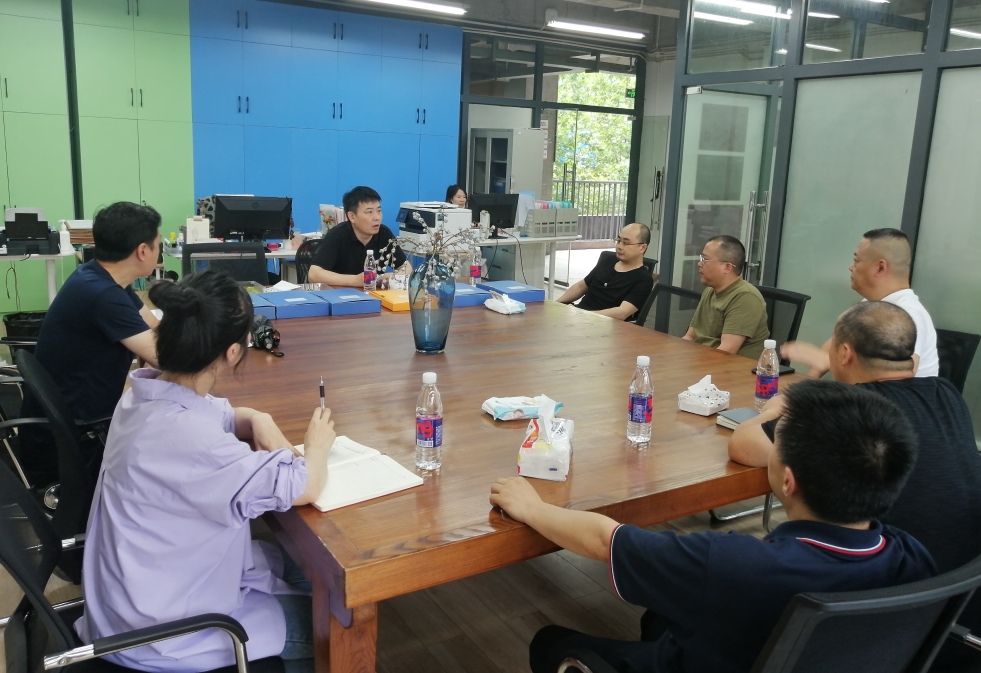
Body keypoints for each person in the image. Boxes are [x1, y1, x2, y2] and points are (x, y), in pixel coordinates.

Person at [491, 379, 935, 673]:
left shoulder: (730, 564)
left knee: (550, 642)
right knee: (661, 614)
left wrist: (530, 507)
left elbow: (604, 539)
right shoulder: (911, 554)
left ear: (788, 480)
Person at [76, 270, 335, 673]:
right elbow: (306, 485)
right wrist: (316, 446)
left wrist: (259, 418)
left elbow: (224, 415)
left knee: (308, 572)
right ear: (232, 352)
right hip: (164, 633)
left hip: (140, 590)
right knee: (330, 623)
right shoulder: (197, 444)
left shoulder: (141, 394)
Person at [729, 301, 981, 669]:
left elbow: (744, 447)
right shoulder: (947, 394)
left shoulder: (845, 410)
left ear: (844, 354)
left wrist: (771, 410)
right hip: (955, 608)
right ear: (910, 359)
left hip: (870, 616)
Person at [15, 201, 162, 487]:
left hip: (72, 423)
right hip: (74, 442)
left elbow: (154, 327)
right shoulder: (103, 295)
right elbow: (167, 356)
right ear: (143, 251)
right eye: (158, 244)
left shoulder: (101, 277)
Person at [782, 228, 939, 378]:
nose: (851, 268)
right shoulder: (871, 305)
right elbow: (835, 343)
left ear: (880, 267)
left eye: (856, 261)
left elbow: (902, 375)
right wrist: (808, 382)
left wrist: (828, 361)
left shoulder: (908, 314)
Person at [682, 235, 769, 359]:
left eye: (705, 259)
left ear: (727, 267)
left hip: (732, 366)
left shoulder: (745, 297)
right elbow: (690, 336)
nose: (699, 264)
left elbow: (727, 351)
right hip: (703, 358)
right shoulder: (710, 291)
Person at [307, 186, 410, 287]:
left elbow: (407, 268)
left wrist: (389, 278)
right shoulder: (337, 235)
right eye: (369, 212)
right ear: (352, 216)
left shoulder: (384, 234)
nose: (377, 217)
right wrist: (356, 280)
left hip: (373, 294)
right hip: (340, 294)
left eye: (379, 211)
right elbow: (314, 274)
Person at [557, 223, 654, 321]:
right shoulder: (608, 260)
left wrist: (582, 315)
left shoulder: (643, 279)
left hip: (603, 324)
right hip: (579, 316)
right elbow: (581, 286)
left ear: (642, 248)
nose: (619, 246)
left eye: (626, 243)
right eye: (618, 241)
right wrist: (555, 304)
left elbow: (622, 313)